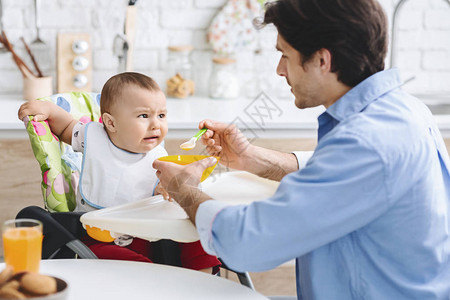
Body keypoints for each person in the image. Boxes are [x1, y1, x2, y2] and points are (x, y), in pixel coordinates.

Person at [153, 0, 450, 298]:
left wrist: (184, 189)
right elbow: (343, 180)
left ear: (322, 60)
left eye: (285, 54)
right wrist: (251, 159)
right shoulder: (403, 109)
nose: (280, 70)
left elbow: (247, 242)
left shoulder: (367, 143)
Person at [18, 72, 220, 274]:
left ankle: (202, 280)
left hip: (149, 234)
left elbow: (161, 195)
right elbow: (66, 127)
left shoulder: (158, 156)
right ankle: (155, 280)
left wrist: (167, 190)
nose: (156, 124)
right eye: (144, 116)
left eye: (161, 115)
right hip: (100, 238)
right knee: (132, 265)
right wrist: (49, 109)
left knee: (197, 228)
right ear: (111, 123)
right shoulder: (94, 138)